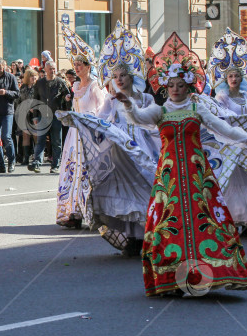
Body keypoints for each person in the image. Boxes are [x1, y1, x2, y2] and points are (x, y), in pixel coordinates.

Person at [118, 38, 247, 296]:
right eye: (171, 85)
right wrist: (128, 104)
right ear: (165, 87)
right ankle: (171, 276)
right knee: (167, 225)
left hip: (198, 179)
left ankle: (215, 271)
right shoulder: (159, 111)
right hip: (169, 179)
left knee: (206, 222)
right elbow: (139, 119)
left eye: (180, 85)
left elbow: (225, 129)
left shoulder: (197, 109)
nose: (175, 89)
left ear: (188, 86)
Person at [56, 22, 159, 255]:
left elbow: (152, 122)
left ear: (133, 77)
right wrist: (78, 120)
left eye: (124, 75)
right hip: (118, 152)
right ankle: (133, 238)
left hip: (141, 151)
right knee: (123, 191)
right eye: (115, 75)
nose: (119, 79)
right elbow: (99, 123)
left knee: (144, 187)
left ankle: (147, 236)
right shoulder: (111, 102)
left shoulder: (144, 100)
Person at [207, 29, 247, 231]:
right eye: (229, 76)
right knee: (233, 182)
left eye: (236, 76)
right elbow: (221, 118)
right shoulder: (221, 99)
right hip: (232, 144)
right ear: (225, 78)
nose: (233, 79)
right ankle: (235, 220)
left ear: (242, 79)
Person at [55, 26, 106, 229]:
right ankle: (73, 212)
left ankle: (91, 212)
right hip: (74, 134)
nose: (76, 68)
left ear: (88, 66)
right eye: (75, 65)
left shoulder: (94, 86)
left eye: (80, 65)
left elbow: (102, 110)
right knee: (72, 170)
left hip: (89, 132)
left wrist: (89, 120)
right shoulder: (75, 86)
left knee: (87, 172)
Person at [29, 61, 70, 173]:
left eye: (53, 69)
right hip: (43, 116)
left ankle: (55, 165)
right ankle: (37, 163)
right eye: (50, 69)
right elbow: (35, 100)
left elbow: (67, 97)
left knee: (56, 141)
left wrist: (66, 107)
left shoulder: (60, 82)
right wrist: (35, 116)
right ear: (45, 70)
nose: (52, 71)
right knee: (41, 140)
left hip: (56, 116)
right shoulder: (40, 83)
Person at [15, 68, 39, 166]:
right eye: (31, 76)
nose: (33, 78)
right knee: (25, 135)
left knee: (36, 135)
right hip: (25, 114)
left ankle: (37, 157)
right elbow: (19, 100)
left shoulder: (38, 87)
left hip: (35, 114)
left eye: (34, 76)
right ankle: (26, 157)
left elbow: (41, 100)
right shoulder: (23, 87)